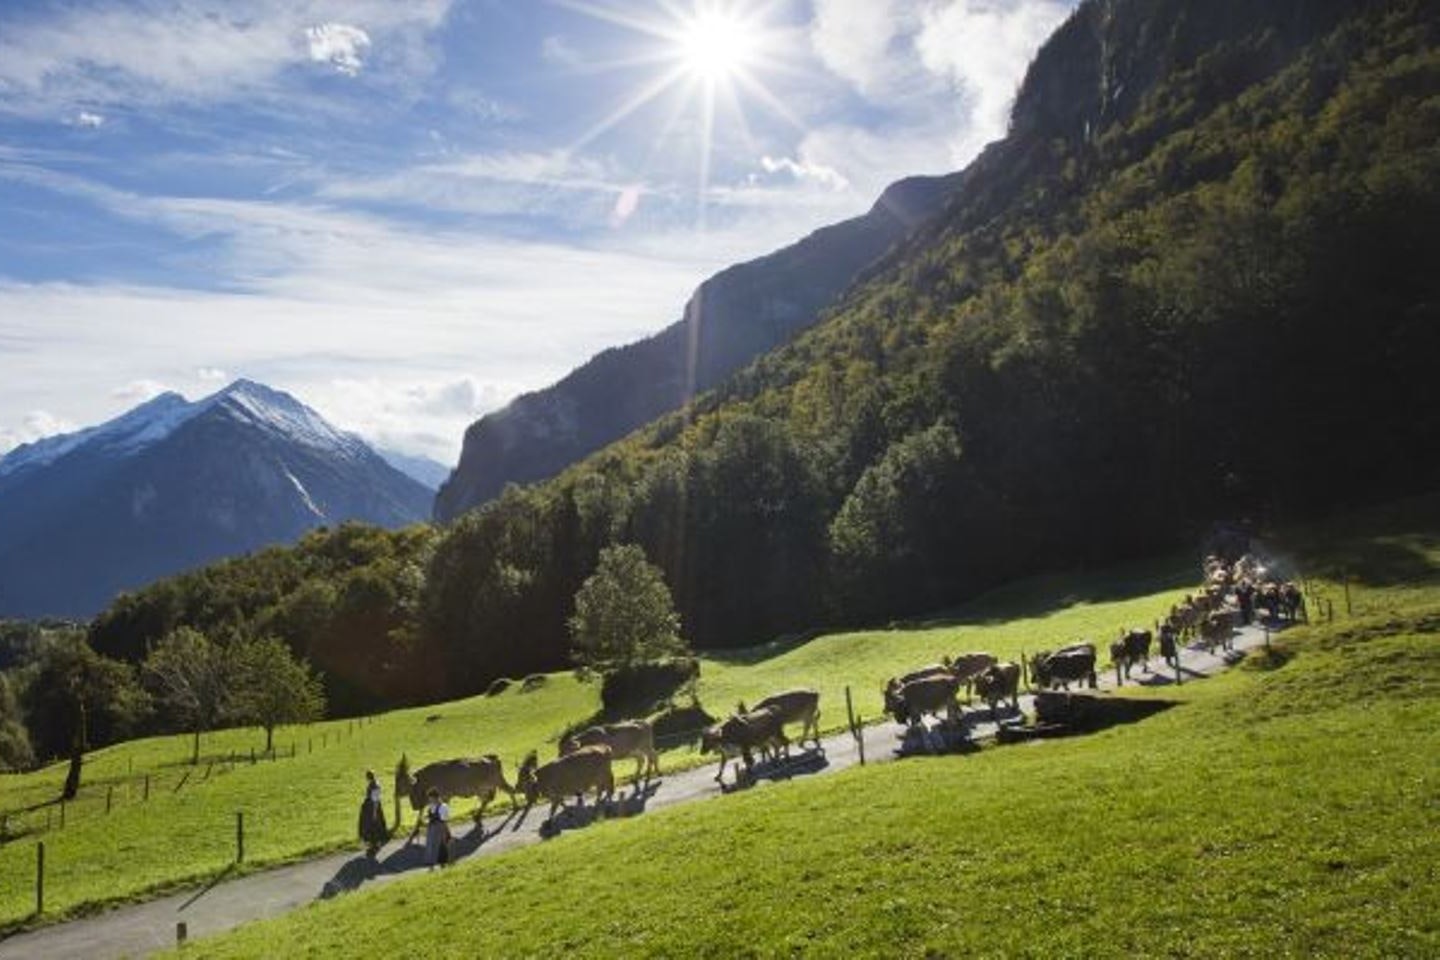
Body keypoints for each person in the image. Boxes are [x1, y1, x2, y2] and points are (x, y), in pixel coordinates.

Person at [357, 770, 388, 857]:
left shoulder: (374, 786)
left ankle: (374, 845)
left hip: (372, 808)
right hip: (370, 807)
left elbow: (375, 800)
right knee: (372, 826)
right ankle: (373, 844)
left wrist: (374, 813)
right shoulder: (374, 783)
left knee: (372, 826)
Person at [424, 787, 451, 869]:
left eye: (431, 798)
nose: (430, 800)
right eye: (429, 799)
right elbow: (430, 816)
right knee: (430, 846)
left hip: (440, 827)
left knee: (440, 846)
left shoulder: (443, 806)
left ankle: (442, 865)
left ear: (436, 797)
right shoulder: (431, 806)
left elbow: (444, 820)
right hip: (431, 828)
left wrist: (447, 831)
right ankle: (431, 865)